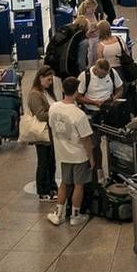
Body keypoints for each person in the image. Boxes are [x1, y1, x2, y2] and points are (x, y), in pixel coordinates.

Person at [47, 76, 96, 226]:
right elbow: (86, 139)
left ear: (62, 89)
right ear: (76, 92)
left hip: (62, 153)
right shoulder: (79, 114)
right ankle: (75, 215)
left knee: (64, 183)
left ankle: (59, 214)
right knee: (78, 185)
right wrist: (91, 158)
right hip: (79, 155)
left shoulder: (53, 107)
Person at [24, 66, 60, 203]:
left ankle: (51, 187)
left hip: (51, 132)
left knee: (51, 162)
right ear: (40, 78)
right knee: (44, 162)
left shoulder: (47, 92)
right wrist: (55, 111)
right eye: (49, 79)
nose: (51, 83)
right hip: (42, 133)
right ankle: (43, 190)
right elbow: (40, 115)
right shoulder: (35, 94)